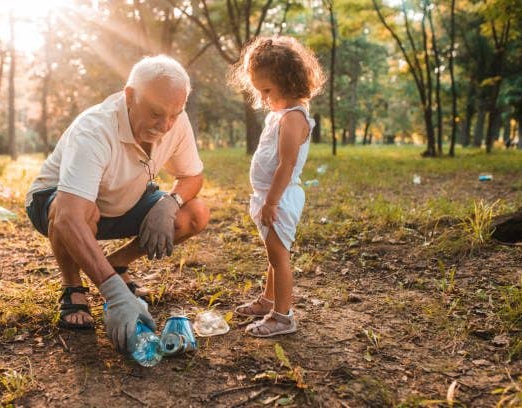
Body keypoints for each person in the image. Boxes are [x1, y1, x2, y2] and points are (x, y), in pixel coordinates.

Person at [25, 55, 210, 353]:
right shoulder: (94, 129)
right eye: (155, 113)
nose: (165, 125)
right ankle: (74, 287)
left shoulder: (176, 122)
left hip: (124, 200)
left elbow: (193, 175)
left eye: (175, 114)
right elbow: (68, 218)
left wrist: (169, 203)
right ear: (130, 96)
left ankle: (117, 263)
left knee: (195, 212)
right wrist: (114, 294)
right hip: (57, 204)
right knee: (70, 209)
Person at [230, 36, 325, 337]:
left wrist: (271, 202)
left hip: (280, 199)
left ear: (288, 81)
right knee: (273, 254)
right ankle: (268, 300)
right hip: (270, 198)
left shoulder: (294, 119)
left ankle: (282, 317)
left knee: (279, 258)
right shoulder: (281, 115)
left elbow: (286, 165)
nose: (264, 98)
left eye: (267, 90)